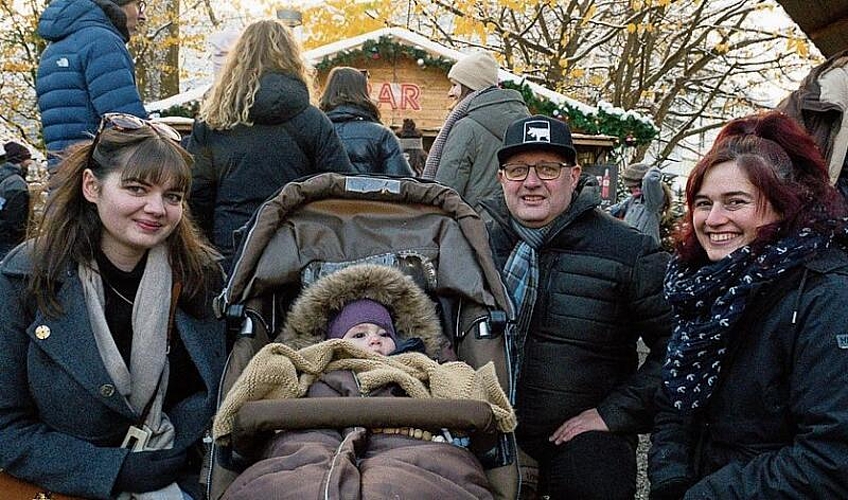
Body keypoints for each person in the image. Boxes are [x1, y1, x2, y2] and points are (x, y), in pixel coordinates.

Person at [0, 113, 227, 499]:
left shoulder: (198, 278)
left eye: (172, 196)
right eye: (138, 189)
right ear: (92, 186)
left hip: (179, 476)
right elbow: (6, 426)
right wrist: (109, 469)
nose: (157, 208)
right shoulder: (27, 278)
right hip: (63, 485)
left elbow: (216, 399)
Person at [648, 111, 848, 499]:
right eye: (703, 203)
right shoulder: (704, 286)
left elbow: (831, 457)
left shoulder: (826, 296)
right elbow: (675, 405)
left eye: (735, 202)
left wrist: (705, 495)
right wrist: (671, 482)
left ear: (785, 205)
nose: (714, 219)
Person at [477, 114, 671, 500]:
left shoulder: (628, 251)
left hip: (581, 435)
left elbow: (679, 347)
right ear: (501, 179)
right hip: (485, 424)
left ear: (574, 175)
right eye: (517, 170)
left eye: (548, 169)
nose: (531, 182)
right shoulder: (476, 247)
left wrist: (613, 414)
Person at [212, 263, 516, 499]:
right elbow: (266, 382)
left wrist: (441, 369)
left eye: (384, 334)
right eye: (359, 334)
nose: (374, 340)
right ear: (332, 340)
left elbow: (466, 391)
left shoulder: (418, 366)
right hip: (312, 439)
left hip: (409, 445)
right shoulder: (312, 366)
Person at [186, 19, 354, 272]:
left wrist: (208, 246)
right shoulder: (312, 120)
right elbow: (340, 185)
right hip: (293, 242)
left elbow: (196, 194)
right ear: (292, 59)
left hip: (230, 242)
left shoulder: (213, 120)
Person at [37, 0, 148, 169]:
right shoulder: (103, 42)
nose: (143, 16)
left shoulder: (52, 50)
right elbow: (127, 122)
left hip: (65, 175)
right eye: (139, 5)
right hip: (100, 175)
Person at [422, 51, 530, 209]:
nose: (450, 92)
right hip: (513, 224)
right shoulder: (525, 124)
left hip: (471, 226)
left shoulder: (466, 127)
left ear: (470, 86)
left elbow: (446, 189)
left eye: (454, 85)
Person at [319, 67, 413, 176]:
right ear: (362, 92)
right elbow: (400, 182)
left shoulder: (315, 131)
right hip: (370, 191)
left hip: (320, 192)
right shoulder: (381, 134)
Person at [608, 162, 671, 244]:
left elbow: (650, 179)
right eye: (629, 187)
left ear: (642, 184)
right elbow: (611, 211)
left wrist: (649, 170)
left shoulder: (653, 202)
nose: (632, 190)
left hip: (645, 251)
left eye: (634, 186)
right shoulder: (632, 200)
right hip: (629, 249)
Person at [0, 141, 32, 259]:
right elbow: (15, 221)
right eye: (28, 162)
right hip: (9, 242)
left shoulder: (4, 178)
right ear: (20, 161)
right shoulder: (16, 184)